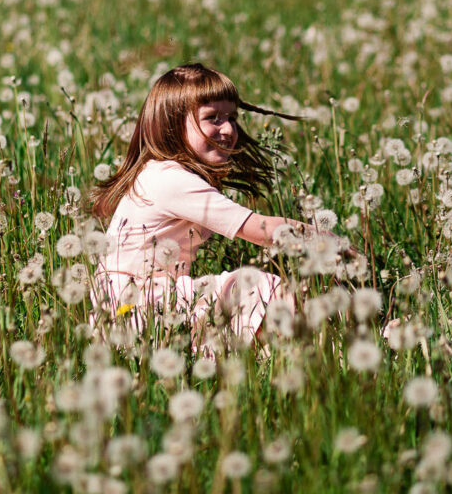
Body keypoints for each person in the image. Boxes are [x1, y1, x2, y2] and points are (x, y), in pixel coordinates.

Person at [90, 63, 345, 349]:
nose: (228, 129)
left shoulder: (160, 173)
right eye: (213, 118)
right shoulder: (169, 179)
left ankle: (296, 351)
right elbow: (262, 230)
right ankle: (323, 348)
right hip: (141, 307)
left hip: (133, 309)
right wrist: (332, 244)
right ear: (172, 125)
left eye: (232, 118)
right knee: (256, 288)